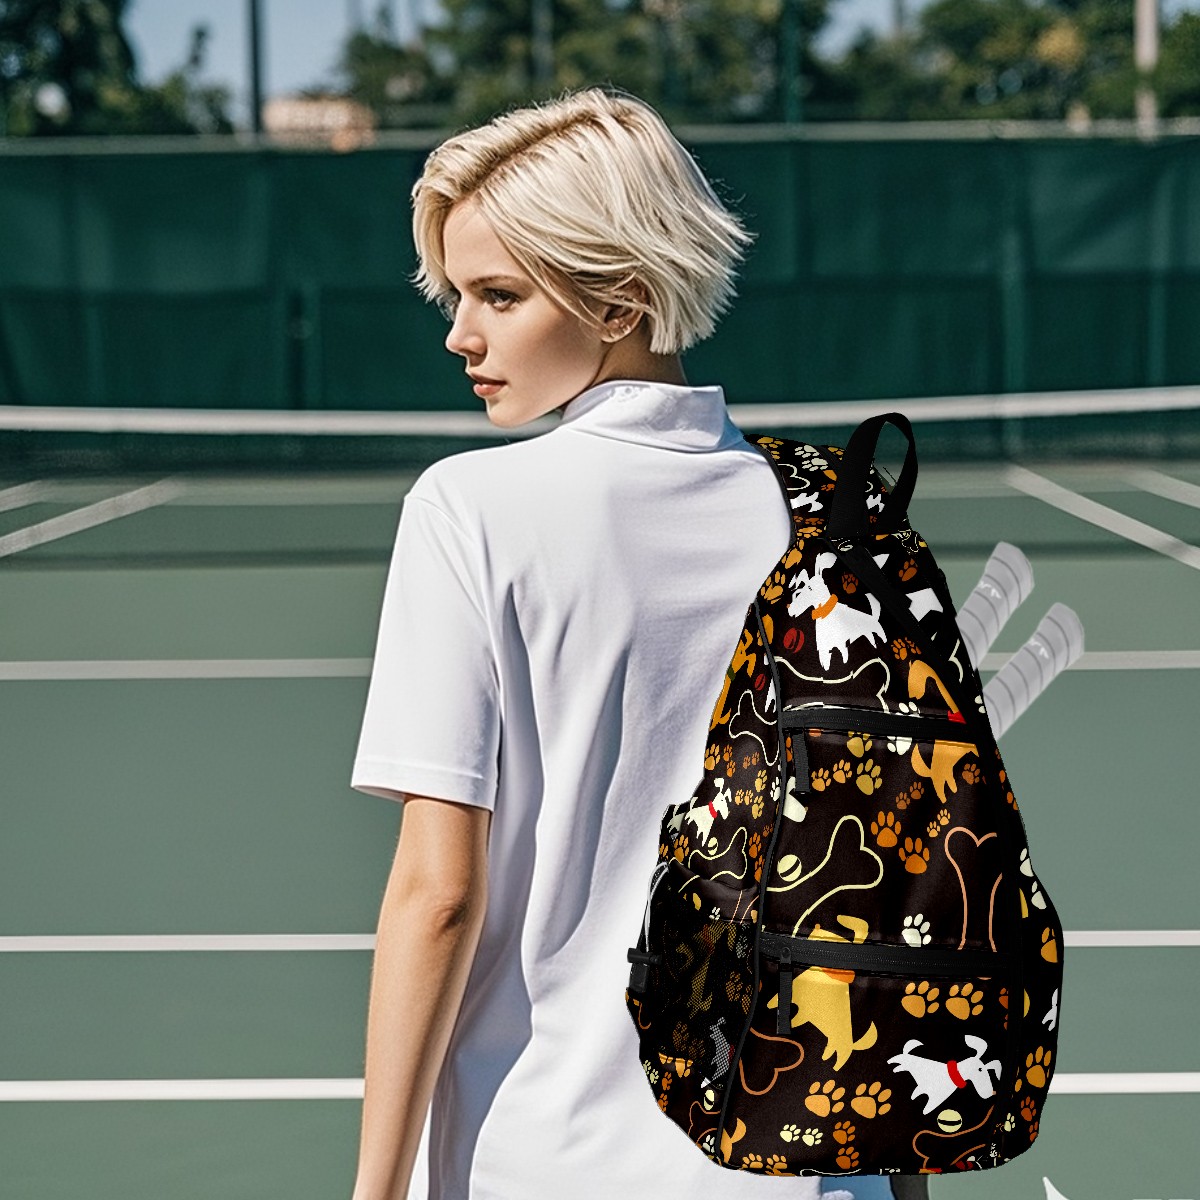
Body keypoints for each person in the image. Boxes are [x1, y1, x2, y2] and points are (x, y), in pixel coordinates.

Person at [347, 84, 931, 1200]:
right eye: (456, 294)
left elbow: (439, 897)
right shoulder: (842, 515)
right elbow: (882, 895)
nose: (459, 333)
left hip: (543, 1164)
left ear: (619, 300)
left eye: (498, 295)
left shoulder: (467, 510)